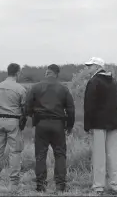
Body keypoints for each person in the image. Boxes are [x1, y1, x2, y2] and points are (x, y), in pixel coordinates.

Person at [24, 64, 75, 193]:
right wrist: (69, 126)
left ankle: (40, 186)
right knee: (60, 154)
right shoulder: (63, 89)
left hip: (41, 124)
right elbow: (70, 109)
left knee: (40, 155)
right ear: (57, 74)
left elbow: (27, 106)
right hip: (58, 125)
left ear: (47, 73)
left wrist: (33, 117)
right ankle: (60, 186)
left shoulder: (36, 87)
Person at [83, 57, 117, 195]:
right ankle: (116, 185)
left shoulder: (93, 82)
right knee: (113, 155)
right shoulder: (113, 81)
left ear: (97, 67)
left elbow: (89, 106)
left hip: (98, 124)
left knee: (99, 156)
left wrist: (87, 126)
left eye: (90, 66)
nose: (88, 68)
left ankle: (99, 187)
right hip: (115, 123)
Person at [0, 63, 27, 192]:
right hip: (13, 121)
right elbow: (24, 108)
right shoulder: (20, 89)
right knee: (15, 152)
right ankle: (14, 184)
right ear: (18, 73)